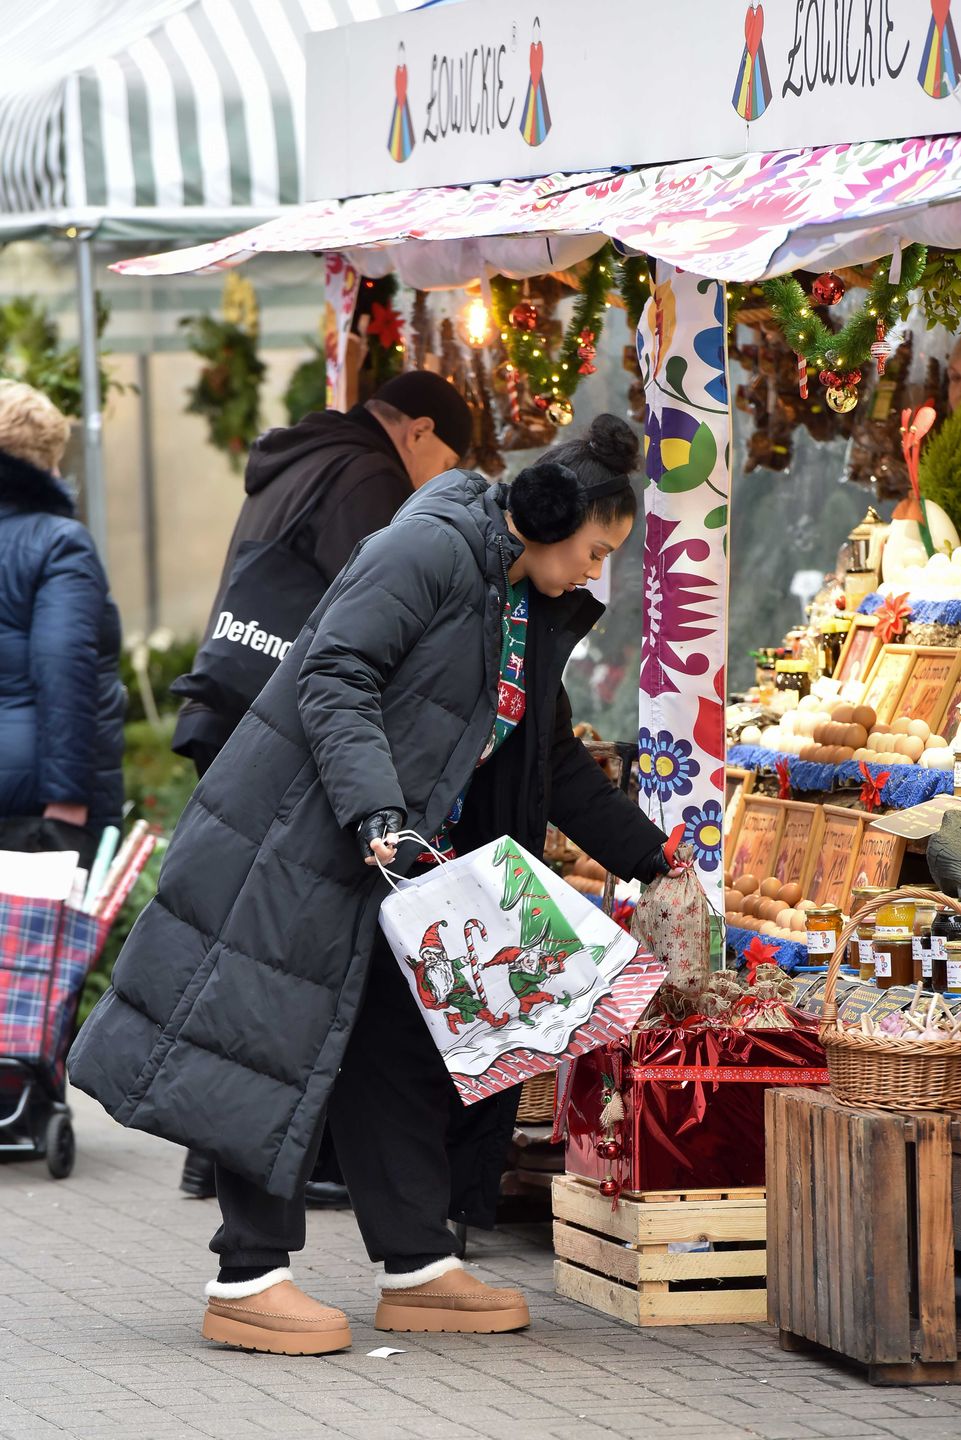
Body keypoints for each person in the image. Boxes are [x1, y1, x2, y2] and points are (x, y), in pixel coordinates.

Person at [68, 412, 683, 1355]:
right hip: (307, 840)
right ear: (547, 515)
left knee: (394, 1047)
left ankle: (415, 1263)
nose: (599, 570)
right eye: (597, 547)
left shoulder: (521, 602)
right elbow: (334, 672)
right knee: (271, 1039)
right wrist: (377, 816)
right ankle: (247, 1277)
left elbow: (546, 756)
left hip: (397, 872)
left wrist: (651, 856)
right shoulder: (428, 550)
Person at [172, 369, 472, 1200]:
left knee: (247, 945)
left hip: (231, 715)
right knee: (291, 954)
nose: (439, 484)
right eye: (444, 461)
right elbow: (366, 627)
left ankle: (219, 1140)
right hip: (281, 738)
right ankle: (262, 1151)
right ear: (416, 431)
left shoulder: (300, 457)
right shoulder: (368, 478)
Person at [0, 380, 124, 874]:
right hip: (35, 806)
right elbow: (64, 669)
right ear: (44, 462)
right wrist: (68, 803)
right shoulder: (58, 543)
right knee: (34, 951)